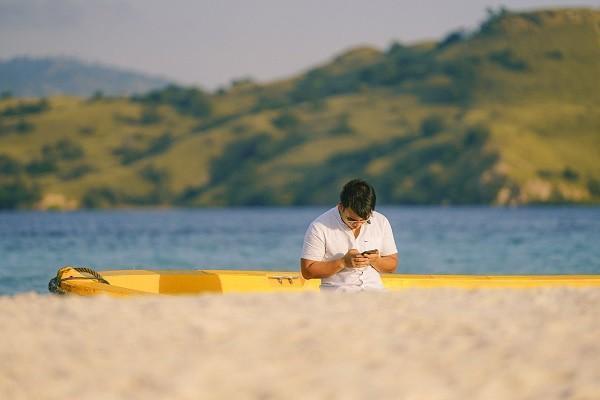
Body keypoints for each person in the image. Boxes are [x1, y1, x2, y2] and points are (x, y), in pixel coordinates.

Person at [300, 179, 398, 291]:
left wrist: (375, 260)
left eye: (364, 220)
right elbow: (307, 271)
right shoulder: (319, 226)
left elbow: (392, 265)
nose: (357, 224)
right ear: (341, 207)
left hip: (375, 292)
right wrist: (342, 262)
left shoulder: (381, 221)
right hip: (337, 294)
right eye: (351, 220)